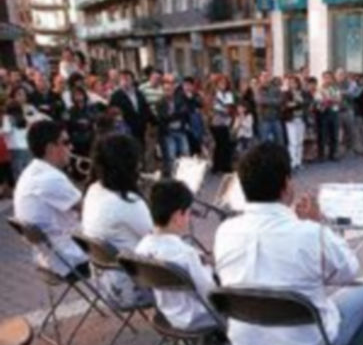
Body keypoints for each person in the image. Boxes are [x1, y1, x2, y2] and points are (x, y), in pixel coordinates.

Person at [214, 143, 363, 345]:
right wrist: (320, 226)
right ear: (286, 184)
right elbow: (349, 272)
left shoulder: (224, 231)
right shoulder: (310, 233)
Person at [135, 180, 219, 331]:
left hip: (167, 313)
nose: (190, 217)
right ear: (178, 216)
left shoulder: (141, 247)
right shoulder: (186, 254)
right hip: (199, 317)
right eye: (188, 212)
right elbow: (210, 293)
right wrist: (210, 270)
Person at [82, 134, 154, 309]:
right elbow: (159, 239)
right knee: (190, 268)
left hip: (103, 284)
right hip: (129, 290)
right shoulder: (127, 202)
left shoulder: (93, 189)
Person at [13, 120, 88, 278]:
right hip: (69, 259)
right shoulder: (50, 178)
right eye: (66, 142)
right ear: (50, 148)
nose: (71, 147)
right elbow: (89, 210)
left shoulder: (31, 172)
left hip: (47, 258)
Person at [2, 87, 49, 180]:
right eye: (19, 94)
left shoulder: (30, 109)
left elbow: (41, 118)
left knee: (28, 175)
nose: (22, 97)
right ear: (13, 97)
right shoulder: (9, 114)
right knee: (22, 176)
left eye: (23, 94)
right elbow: (6, 130)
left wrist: (31, 120)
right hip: (17, 149)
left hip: (26, 147)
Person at [155, 77, 190, 176]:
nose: (168, 92)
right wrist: (175, 115)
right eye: (166, 90)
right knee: (171, 156)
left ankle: (185, 175)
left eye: (170, 89)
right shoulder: (160, 103)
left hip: (180, 130)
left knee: (185, 154)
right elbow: (163, 117)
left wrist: (173, 115)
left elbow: (184, 113)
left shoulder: (179, 100)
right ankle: (173, 176)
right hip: (168, 132)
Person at [110, 70, 151, 146]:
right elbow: (112, 112)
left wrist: (146, 121)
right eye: (123, 79)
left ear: (132, 80)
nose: (125, 82)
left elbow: (145, 108)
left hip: (140, 129)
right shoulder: (116, 96)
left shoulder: (138, 93)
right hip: (125, 130)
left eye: (127, 79)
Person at [210, 75, 235, 173]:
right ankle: (216, 166)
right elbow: (216, 107)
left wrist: (226, 109)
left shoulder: (228, 94)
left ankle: (226, 166)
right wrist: (224, 108)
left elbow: (230, 107)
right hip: (217, 122)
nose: (223, 85)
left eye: (225, 83)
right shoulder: (215, 94)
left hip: (226, 122)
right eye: (221, 83)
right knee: (219, 144)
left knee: (226, 144)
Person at [316, 71, 342, 162]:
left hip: (334, 112)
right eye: (326, 77)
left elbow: (338, 100)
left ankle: (333, 153)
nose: (328, 79)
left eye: (329, 77)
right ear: (323, 78)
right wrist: (329, 100)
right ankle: (321, 155)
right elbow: (318, 101)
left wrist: (329, 99)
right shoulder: (319, 89)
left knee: (334, 134)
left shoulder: (335, 88)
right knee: (323, 134)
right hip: (323, 113)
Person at [283, 75, 308, 170]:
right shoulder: (287, 93)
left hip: (301, 118)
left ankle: (299, 161)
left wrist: (295, 104)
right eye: (291, 82)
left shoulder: (302, 92)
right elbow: (287, 105)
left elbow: (305, 103)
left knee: (300, 141)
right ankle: (292, 162)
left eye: (295, 82)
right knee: (293, 142)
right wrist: (297, 104)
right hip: (291, 119)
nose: (293, 84)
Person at [336, 69, 363, 155]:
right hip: (337, 111)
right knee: (338, 133)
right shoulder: (334, 85)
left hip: (348, 110)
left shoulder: (349, 84)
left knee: (350, 131)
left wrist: (343, 93)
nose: (341, 76)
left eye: (342, 74)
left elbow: (353, 94)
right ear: (336, 76)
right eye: (339, 75)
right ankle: (338, 150)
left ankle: (350, 149)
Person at [255, 71, 284, 145]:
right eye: (264, 76)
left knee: (279, 143)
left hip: (276, 118)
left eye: (267, 76)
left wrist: (268, 101)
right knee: (264, 144)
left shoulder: (275, 88)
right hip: (264, 119)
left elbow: (280, 100)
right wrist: (273, 101)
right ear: (260, 78)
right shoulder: (258, 88)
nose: (266, 78)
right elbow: (260, 100)